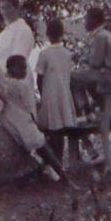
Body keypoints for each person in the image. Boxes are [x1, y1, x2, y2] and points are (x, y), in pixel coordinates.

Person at [71, 7, 111, 119]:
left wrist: (84, 63)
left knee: (72, 77)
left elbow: (95, 63)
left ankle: (87, 111)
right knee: (85, 78)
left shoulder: (100, 36)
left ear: (94, 20)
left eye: (86, 19)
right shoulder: (106, 34)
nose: (85, 22)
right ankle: (109, 109)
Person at [36, 17, 77, 161]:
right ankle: (58, 159)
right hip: (63, 94)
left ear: (48, 35)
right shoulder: (67, 53)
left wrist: (42, 94)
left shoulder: (45, 54)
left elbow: (39, 77)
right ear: (62, 34)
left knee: (53, 128)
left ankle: (55, 160)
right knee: (59, 128)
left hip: (51, 95)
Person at [0, 0, 36, 90]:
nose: (4, 12)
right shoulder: (3, 34)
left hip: (19, 81)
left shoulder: (23, 29)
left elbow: (19, 58)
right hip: (4, 81)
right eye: (2, 8)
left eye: (8, 8)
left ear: (16, 8)